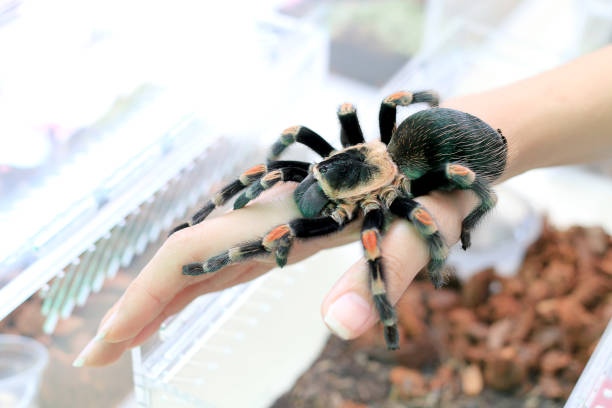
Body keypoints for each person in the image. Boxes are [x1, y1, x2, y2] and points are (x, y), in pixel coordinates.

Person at [72, 45, 612, 367]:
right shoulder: (329, 161)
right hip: (409, 142)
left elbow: (434, 209)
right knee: (292, 157)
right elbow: (315, 130)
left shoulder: (387, 197)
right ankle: (201, 228)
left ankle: (220, 259)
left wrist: (453, 234)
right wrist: (200, 219)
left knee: (404, 223)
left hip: (454, 152)